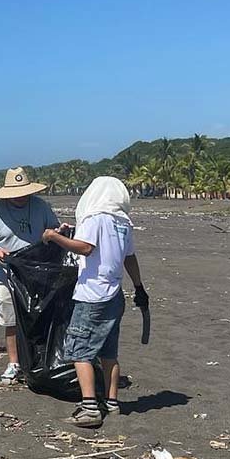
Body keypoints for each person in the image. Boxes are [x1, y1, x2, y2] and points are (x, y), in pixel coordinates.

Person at [42, 176, 147, 428]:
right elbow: (129, 258)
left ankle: (89, 407)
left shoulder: (94, 217)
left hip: (93, 294)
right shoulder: (123, 222)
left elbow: (85, 248)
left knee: (80, 350)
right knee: (108, 353)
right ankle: (112, 403)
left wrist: (53, 237)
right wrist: (139, 287)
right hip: (114, 294)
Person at [0, 167, 59, 381]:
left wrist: (58, 233)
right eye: (16, 193)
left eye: (24, 192)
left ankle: (39, 359)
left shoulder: (40, 206)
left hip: (37, 273)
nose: (21, 197)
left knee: (38, 317)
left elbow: (54, 230)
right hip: (5, 275)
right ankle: (14, 363)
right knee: (11, 320)